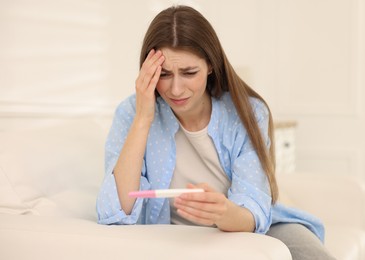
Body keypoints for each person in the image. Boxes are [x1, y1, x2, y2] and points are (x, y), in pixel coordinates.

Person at [96, 5, 336, 260]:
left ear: (210, 65)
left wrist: (223, 213)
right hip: (175, 236)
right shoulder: (131, 113)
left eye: (189, 73)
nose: (176, 89)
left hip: (250, 228)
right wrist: (143, 119)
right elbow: (116, 212)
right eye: (164, 75)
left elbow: (253, 211)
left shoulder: (248, 113)